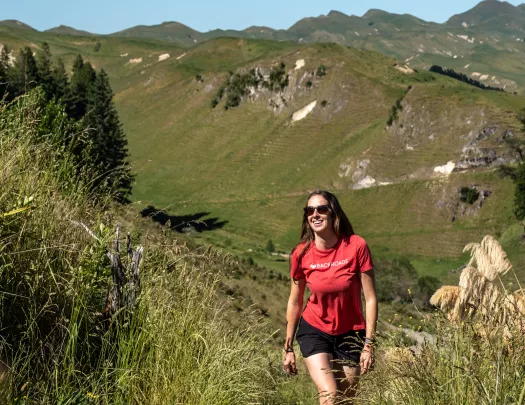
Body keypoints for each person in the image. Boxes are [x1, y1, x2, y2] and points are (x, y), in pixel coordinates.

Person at [283, 190, 378, 404]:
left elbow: (370, 298)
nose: (315, 214)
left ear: (333, 213)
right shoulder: (301, 253)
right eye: (310, 210)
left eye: (321, 209)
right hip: (314, 330)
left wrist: (368, 344)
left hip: (350, 332)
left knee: (345, 399)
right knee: (330, 394)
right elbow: (295, 301)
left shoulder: (356, 246)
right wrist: (288, 347)